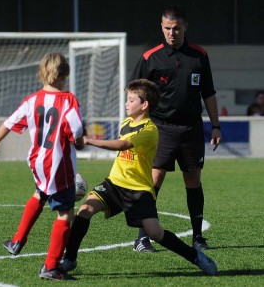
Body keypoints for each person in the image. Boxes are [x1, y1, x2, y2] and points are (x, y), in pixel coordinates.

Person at [60, 79, 218, 276]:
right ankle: (69, 259)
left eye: (131, 100)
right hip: (114, 183)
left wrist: (90, 139)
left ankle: (195, 256)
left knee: (155, 233)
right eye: (127, 99)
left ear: (144, 105)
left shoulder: (149, 130)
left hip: (138, 189)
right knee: (85, 210)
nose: (126, 103)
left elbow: (123, 146)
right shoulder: (126, 122)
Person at [129, 5, 222, 252]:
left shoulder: (199, 56)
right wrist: (135, 125)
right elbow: (134, 93)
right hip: (159, 128)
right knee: (154, 179)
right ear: (161, 27)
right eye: (168, 28)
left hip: (191, 128)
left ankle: (198, 237)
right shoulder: (151, 57)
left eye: (176, 28)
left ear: (185, 27)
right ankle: (142, 237)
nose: (172, 32)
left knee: (193, 180)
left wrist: (215, 126)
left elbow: (209, 93)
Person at [0, 52, 84, 281]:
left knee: (40, 193)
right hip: (58, 165)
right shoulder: (68, 99)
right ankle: (51, 266)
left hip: (37, 161)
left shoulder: (32, 100)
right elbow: (77, 129)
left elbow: (9, 123)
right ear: (64, 75)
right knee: (65, 214)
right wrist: (78, 142)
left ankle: (17, 240)